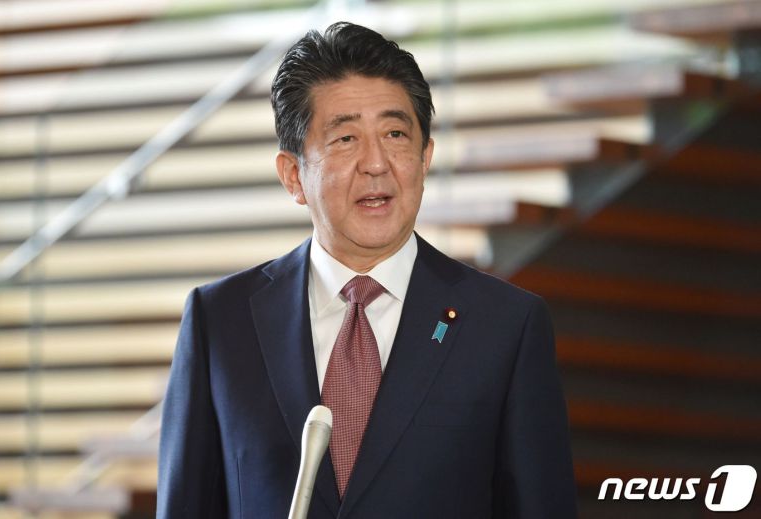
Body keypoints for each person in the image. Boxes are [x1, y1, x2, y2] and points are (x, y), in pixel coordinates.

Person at [157, 22, 577, 519]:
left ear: (425, 158)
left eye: (395, 134)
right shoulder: (221, 322)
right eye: (345, 138)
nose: (376, 163)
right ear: (293, 176)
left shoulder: (506, 325)